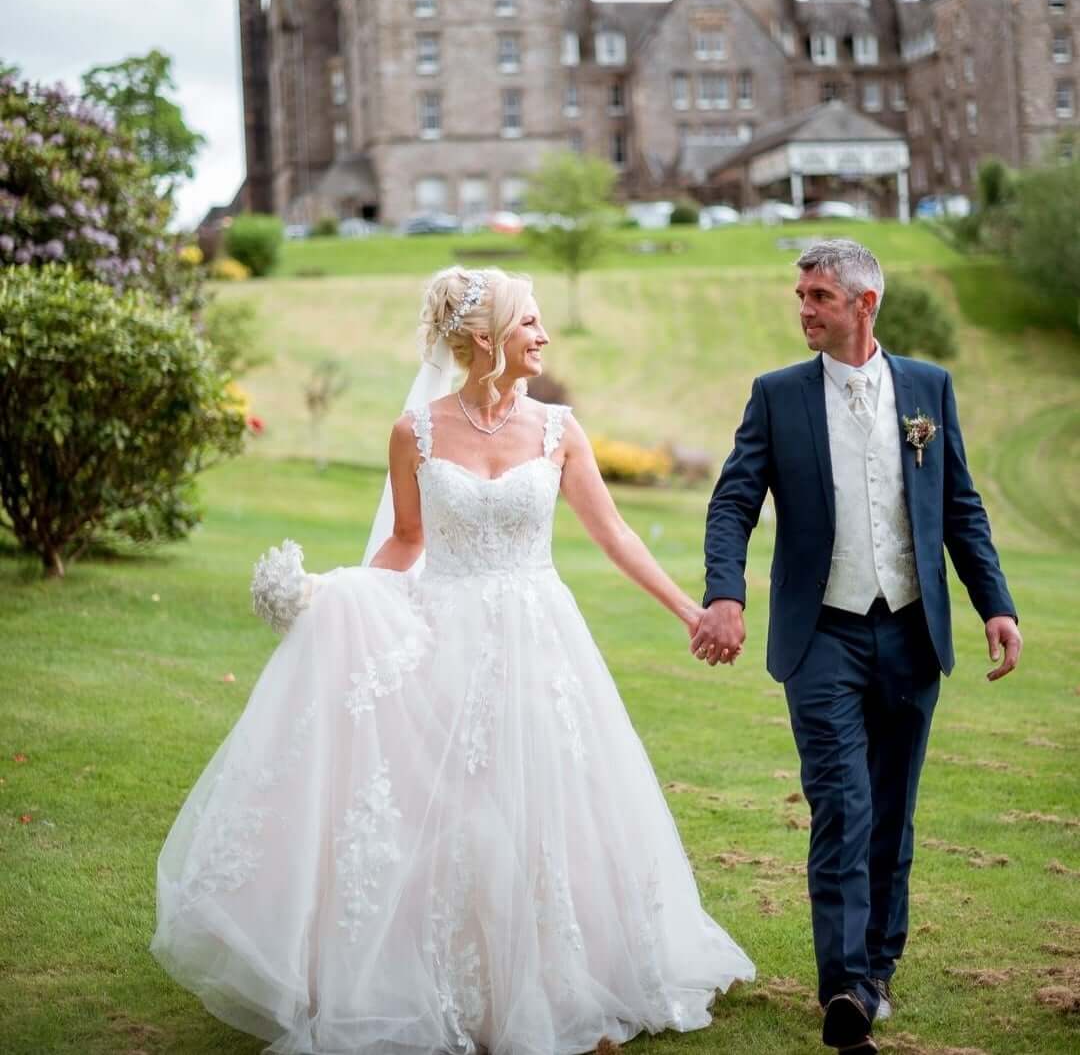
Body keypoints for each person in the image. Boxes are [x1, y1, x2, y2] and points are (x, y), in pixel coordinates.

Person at [152, 265, 753, 1055]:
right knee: (460, 809)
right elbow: (407, 540)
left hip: (541, 638)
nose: (544, 336)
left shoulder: (557, 429)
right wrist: (333, 597)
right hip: (446, 637)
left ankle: (565, 975)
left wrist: (690, 611)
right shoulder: (417, 432)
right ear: (483, 338)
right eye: (529, 323)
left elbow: (615, 535)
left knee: (552, 799)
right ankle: (456, 981)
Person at [692, 239, 1021, 1055]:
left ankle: (877, 971)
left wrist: (996, 606)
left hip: (912, 632)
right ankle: (842, 987)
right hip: (822, 635)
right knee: (843, 804)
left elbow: (962, 509)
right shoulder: (777, 397)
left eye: (818, 297)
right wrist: (725, 593)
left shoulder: (927, 391)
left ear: (864, 304)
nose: (804, 309)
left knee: (893, 812)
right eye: (799, 296)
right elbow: (733, 502)